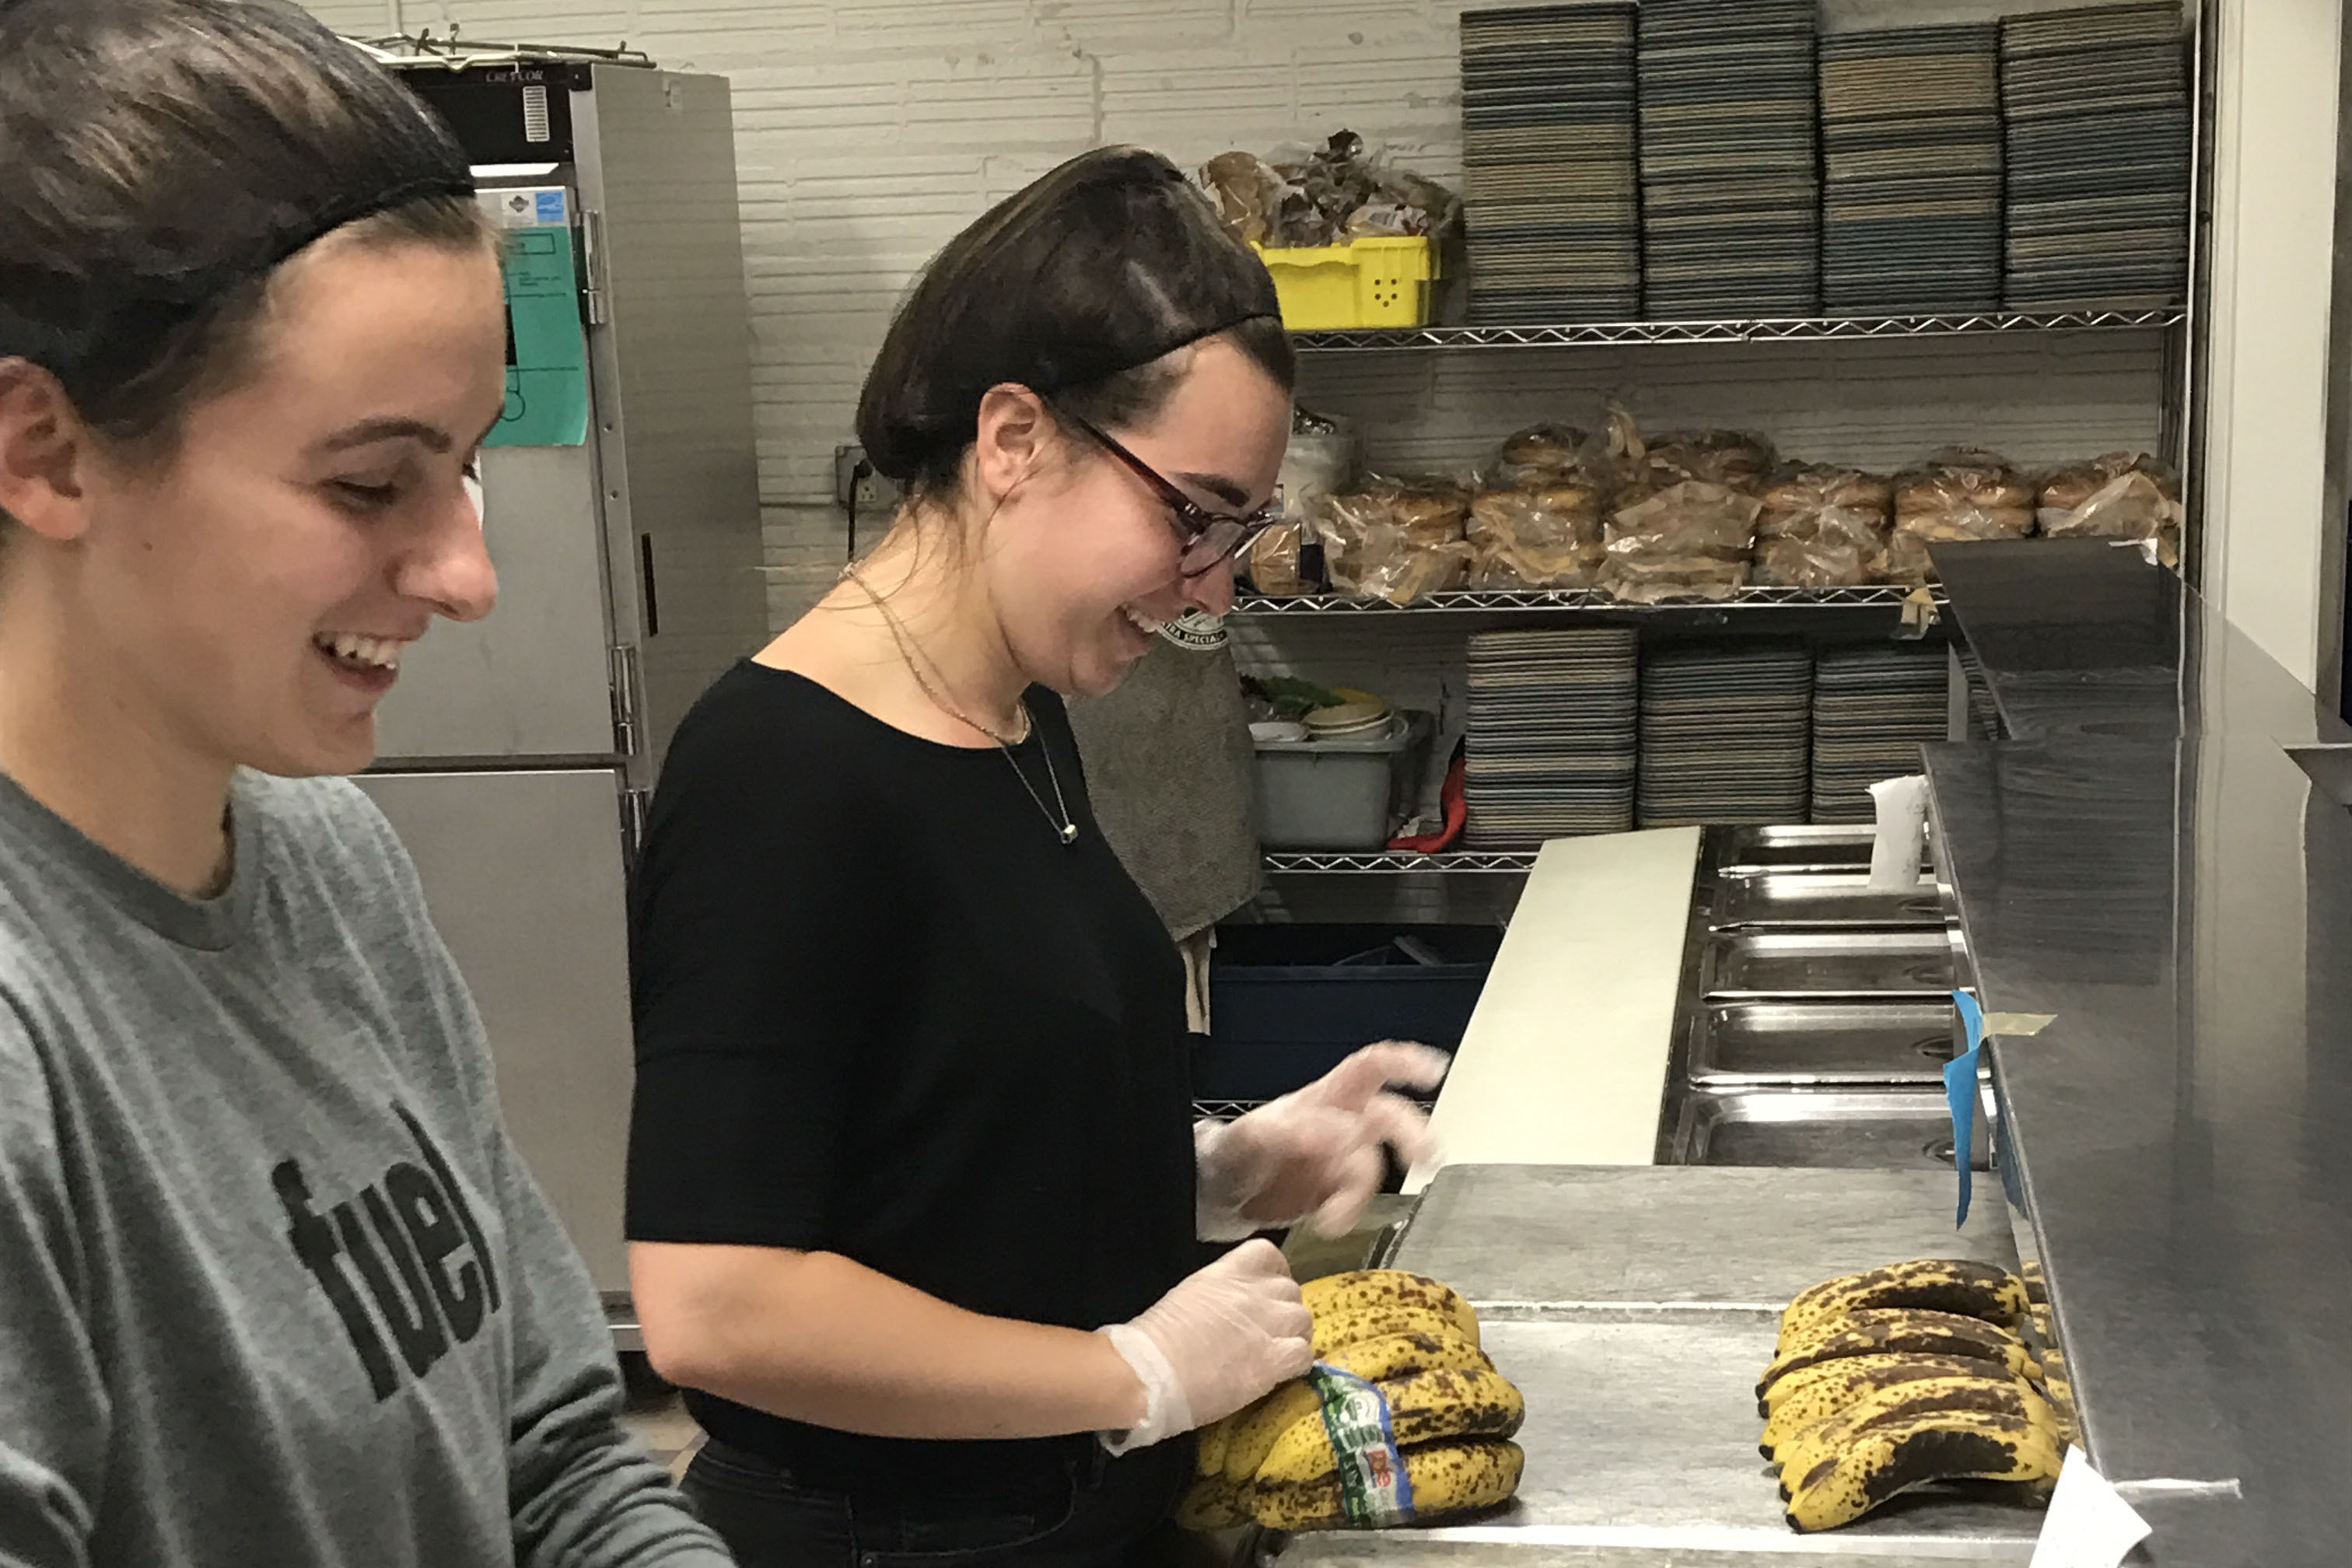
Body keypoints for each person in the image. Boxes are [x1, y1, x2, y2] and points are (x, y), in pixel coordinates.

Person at [625, 145, 1448, 1568]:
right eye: (1188, 514)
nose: (1206, 589)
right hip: (900, 1535)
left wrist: (1210, 1169)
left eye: (1236, 535)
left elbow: (935, 1133)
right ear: (1014, 440)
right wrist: (1130, 1373)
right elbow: (721, 1301)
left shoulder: (1017, 716)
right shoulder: (781, 774)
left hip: (1081, 1515)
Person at [0, 3, 732, 1564]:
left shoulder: (332, 866)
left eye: (466, 463)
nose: (469, 572)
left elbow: (548, 1462)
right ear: (47, 453)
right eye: (368, 482)